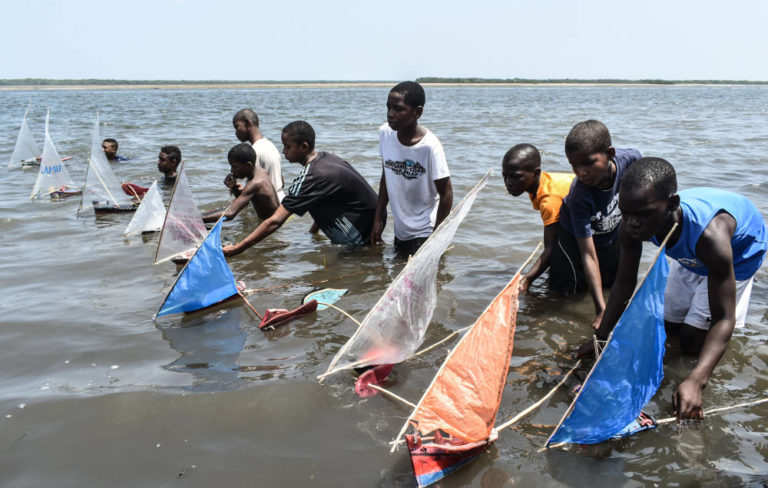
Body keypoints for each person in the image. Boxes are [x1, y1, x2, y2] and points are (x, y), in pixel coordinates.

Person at [585, 157, 767, 420]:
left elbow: (724, 318)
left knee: (693, 341)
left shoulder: (711, 239)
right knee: (668, 328)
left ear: (672, 204)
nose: (632, 223)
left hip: (737, 253)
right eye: (625, 213)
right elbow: (624, 284)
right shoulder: (635, 223)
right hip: (686, 249)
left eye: (642, 214)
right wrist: (601, 337)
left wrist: (696, 381)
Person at [222, 121, 379, 257]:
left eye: (287, 147)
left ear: (304, 147)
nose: (284, 152)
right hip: (371, 225)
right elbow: (325, 200)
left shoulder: (311, 177)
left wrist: (237, 249)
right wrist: (313, 233)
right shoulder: (327, 159)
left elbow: (275, 221)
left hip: (357, 240)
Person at [549, 120, 641, 329]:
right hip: (574, 241)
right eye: (574, 165)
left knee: (614, 283)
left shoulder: (632, 160)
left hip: (610, 232)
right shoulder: (579, 196)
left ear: (609, 153)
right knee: (566, 294)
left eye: (588, 163)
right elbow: (588, 255)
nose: (580, 172)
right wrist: (600, 311)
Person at [371, 81, 453, 257]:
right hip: (401, 229)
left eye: (398, 109)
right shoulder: (385, 133)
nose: (390, 114)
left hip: (425, 230)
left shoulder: (430, 146)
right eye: (388, 108)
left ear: (417, 112)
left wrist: (436, 238)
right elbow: (386, 174)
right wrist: (378, 218)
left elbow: (446, 194)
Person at [501, 143, 574, 291]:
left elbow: (550, 248)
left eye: (515, 177)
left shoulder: (548, 199)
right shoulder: (539, 183)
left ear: (536, 173)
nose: (508, 182)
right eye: (505, 176)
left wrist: (527, 280)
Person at [202, 143, 279, 223]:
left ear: (248, 165)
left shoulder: (255, 183)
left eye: (234, 167)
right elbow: (244, 204)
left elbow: (231, 214)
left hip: (271, 223)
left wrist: (199, 220)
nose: (232, 171)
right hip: (275, 218)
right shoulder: (260, 172)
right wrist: (234, 187)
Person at [232, 109, 285, 201]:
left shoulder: (254, 152)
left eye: (237, 127)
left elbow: (248, 199)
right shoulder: (270, 145)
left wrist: (234, 188)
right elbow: (281, 182)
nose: (236, 132)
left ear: (248, 123)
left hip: (269, 206)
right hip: (281, 200)